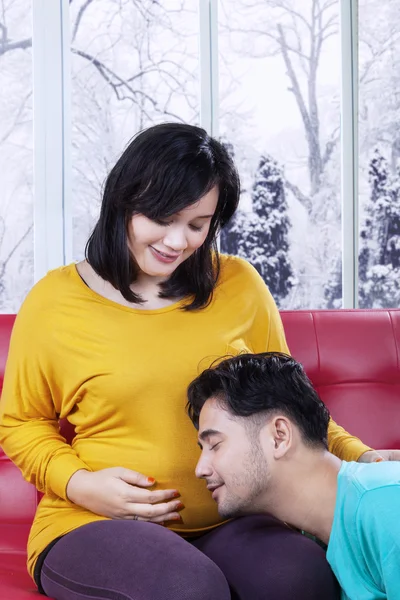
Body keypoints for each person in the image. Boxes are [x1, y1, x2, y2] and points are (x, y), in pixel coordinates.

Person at [0, 123, 393, 600]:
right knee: (187, 588)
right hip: (91, 521)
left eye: (196, 224)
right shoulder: (55, 301)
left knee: (301, 579)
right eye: (161, 218)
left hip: (229, 522)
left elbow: (286, 404)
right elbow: (21, 422)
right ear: (123, 202)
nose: (176, 240)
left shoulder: (239, 285)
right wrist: (80, 485)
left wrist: (362, 457)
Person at [188, 351, 400, 600]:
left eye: (214, 445)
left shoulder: (385, 503)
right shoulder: (320, 539)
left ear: (279, 436)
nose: (200, 469)